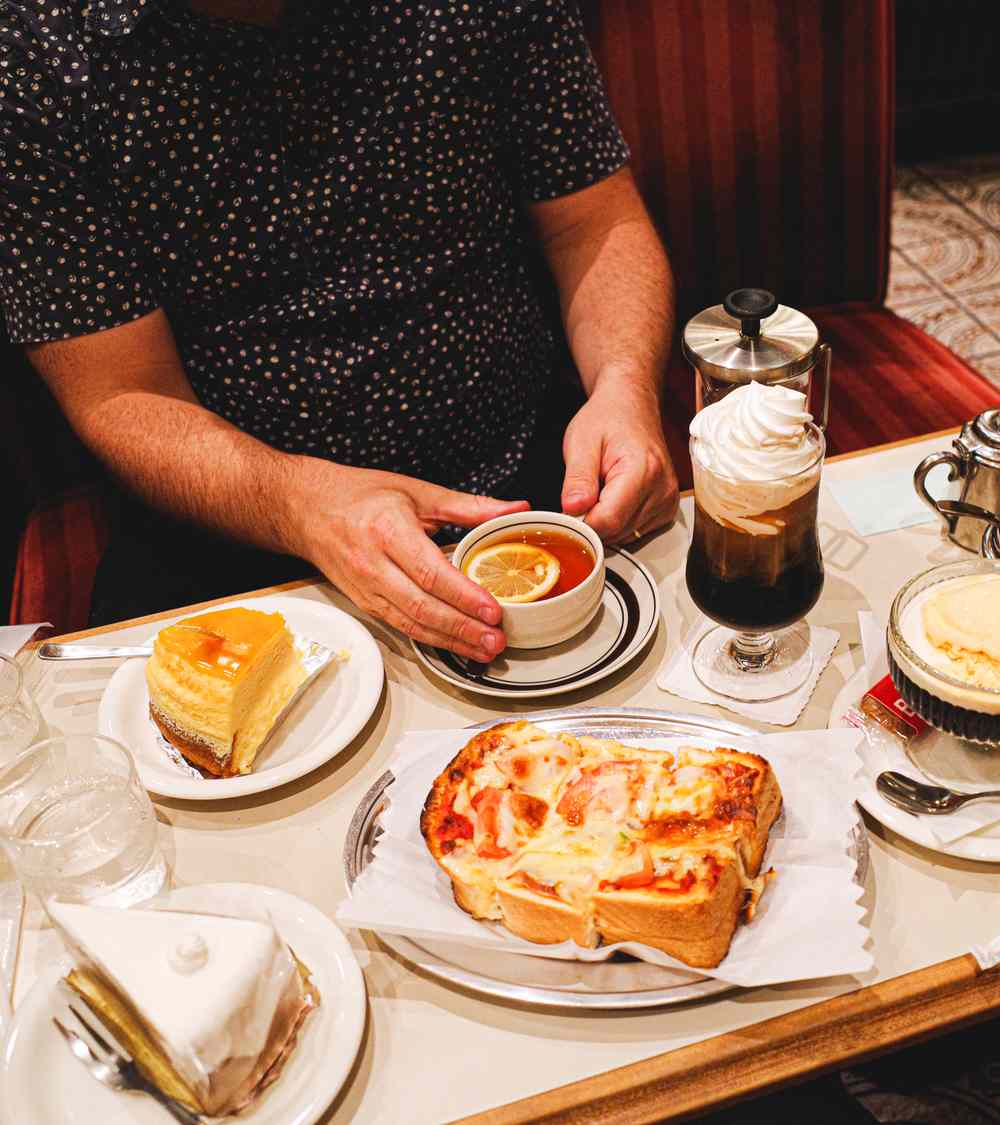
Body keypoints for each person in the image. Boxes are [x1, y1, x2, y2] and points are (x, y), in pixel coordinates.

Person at [0, 0, 678, 662]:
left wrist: (623, 385)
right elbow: (120, 394)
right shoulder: (42, 49)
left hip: (528, 483)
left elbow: (594, 223)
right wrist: (301, 503)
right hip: (239, 540)